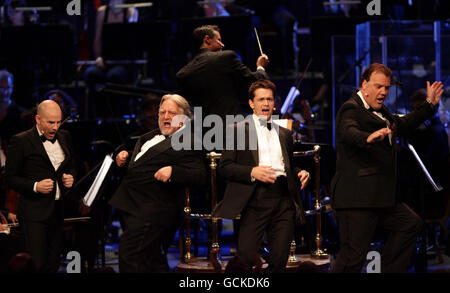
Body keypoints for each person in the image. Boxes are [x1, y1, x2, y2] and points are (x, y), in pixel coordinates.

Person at [330, 63, 444, 273]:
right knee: (352, 258)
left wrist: (429, 105)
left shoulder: (382, 111)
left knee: (410, 224)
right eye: (378, 86)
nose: (383, 92)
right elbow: (348, 131)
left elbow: (403, 123)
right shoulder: (351, 108)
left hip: (381, 198)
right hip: (357, 199)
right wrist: (367, 137)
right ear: (364, 85)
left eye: (387, 88)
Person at [213, 79, 311, 273]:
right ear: (251, 103)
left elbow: (287, 166)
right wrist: (252, 171)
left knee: (279, 261)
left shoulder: (284, 133)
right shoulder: (238, 130)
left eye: (270, 99)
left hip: (284, 200)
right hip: (255, 200)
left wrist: (299, 172)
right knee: (244, 259)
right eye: (261, 99)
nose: (266, 104)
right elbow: (224, 167)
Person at [108, 94, 206, 273]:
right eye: (162, 112)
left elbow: (200, 175)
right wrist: (126, 159)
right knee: (151, 261)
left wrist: (173, 172)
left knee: (130, 256)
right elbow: (143, 166)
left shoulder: (190, 140)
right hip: (131, 205)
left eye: (171, 113)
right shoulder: (148, 137)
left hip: (153, 210)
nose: (165, 116)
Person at [5, 100, 77, 273]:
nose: (55, 127)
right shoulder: (21, 141)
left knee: (54, 262)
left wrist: (70, 177)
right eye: (50, 122)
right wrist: (35, 186)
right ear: (38, 119)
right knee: (37, 264)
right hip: (33, 213)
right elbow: (9, 178)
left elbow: (72, 165)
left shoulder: (65, 136)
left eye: (59, 122)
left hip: (57, 211)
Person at [176, 24, 269, 120]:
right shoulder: (226, 57)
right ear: (207, 39)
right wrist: (260, 67)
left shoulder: (183, 73)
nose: (223, 45)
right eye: (219, 40)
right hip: (232, 126)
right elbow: (254, 81)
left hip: (204, 130)